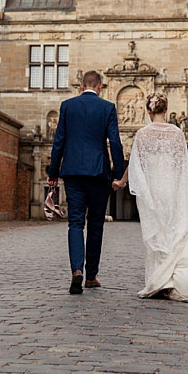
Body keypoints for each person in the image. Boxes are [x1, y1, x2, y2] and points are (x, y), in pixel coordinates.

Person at [113, 93, 188, 301]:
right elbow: (184, 166)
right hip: (173, 188)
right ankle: (170, 279)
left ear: (148, 111)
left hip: (153, 188)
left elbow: (135, 164)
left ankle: (160, 280)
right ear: (166, 110)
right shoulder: (176, 133)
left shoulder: (142, 134)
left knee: (157, 232)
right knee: (174, 230)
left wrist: (121, 182)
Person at [47, 70, 125, 295]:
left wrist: (53, 172)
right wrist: (118, 173)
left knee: (76, 222)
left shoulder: (67, 106)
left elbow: (59, 141)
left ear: (82, 86)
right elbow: (115, 143)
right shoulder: (107, 108)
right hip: (99, 172)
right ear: (100, 86)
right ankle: (91, 276)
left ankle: (76, 271)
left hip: (72, 172)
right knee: (96, 224)